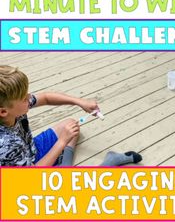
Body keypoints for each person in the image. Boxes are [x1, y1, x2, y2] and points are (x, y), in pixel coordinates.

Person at [0, 65, 143, 166]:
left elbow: (46, 97)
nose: (29, 97)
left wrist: (79, 102)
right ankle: (109, 162)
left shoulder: (10, 108)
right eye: (24, 98)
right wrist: (61, 142)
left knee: (71, 126)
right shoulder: (7, 144)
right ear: (3, 112)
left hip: (30, 150)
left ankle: (63, 166)